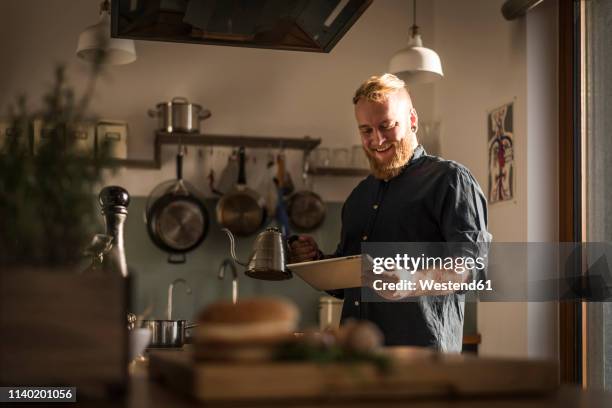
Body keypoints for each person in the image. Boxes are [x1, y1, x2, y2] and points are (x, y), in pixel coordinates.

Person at [289, 74, 491, 352]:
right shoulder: (358, 196)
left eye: (387, 126)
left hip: (421, 362)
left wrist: (413, 281)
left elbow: (474, 269)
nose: (377, 139)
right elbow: (350, 280)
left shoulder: (450, 180)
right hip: (356, 358)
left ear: (412, 120)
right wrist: (317, 261)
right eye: (366, 130)